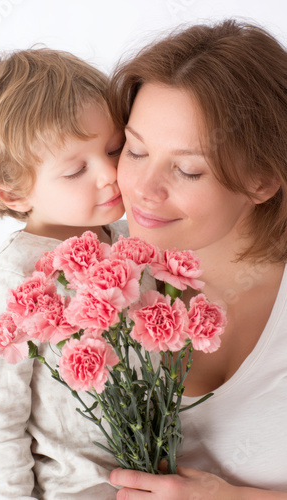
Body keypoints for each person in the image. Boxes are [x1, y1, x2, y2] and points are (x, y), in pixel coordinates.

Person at [107, 19, 287, 499]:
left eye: (187, 170)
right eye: (136, 150)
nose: (143, 192)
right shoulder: (90, 274)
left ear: (262, 181)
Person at [0, 48, 127, 499]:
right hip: (77, 488)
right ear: (13, 194)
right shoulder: (14, 276)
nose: (110, 174)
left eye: (114, 149)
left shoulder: (134, 238)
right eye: (76, 170)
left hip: (157, 468)